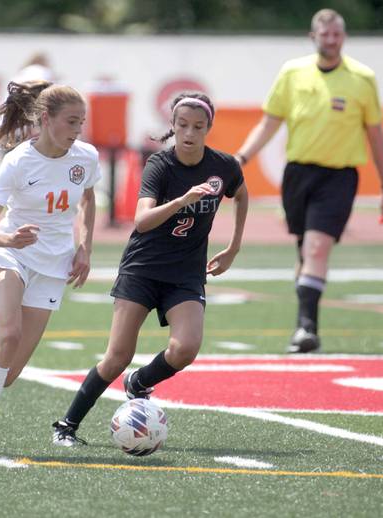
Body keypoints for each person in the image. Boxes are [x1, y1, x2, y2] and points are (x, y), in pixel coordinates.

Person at [51, 92, 248, 446]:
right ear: (172, 127)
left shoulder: (224, 166)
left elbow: (241, 193)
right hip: (142, 269)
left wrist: (233, 246)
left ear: (209, 128)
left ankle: (139, 382)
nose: (190, 132)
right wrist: (183, 200)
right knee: (116, 357)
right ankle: (66, 425)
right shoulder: (160, 165)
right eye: (183, 125)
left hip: (186, 274)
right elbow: (142, 221)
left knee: (185, 348)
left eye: (198, 126)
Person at [0, 80, 100, 459]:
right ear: (46, 119)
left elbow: (88, 200)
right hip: (11, 256)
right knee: (8, 337)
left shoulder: (86, 157)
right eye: (72, 122)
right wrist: (9, 241)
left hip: (54, 265)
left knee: (7, 374)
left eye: (82, 122)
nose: (78, 131)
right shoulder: (18, 161)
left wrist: (84, 247)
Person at [234, 8, 383, 354]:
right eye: (325, 35)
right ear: (313, 37)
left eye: (337, 35)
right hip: (298, 174)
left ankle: (307, 327)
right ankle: (304, 323)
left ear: (344, 38)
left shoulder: (362, 78)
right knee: (305, 252)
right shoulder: (292, 73)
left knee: (317, 247)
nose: (331, 41)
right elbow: (269, 123)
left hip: (339, 176)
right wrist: (241, 158)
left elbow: (376, 134)